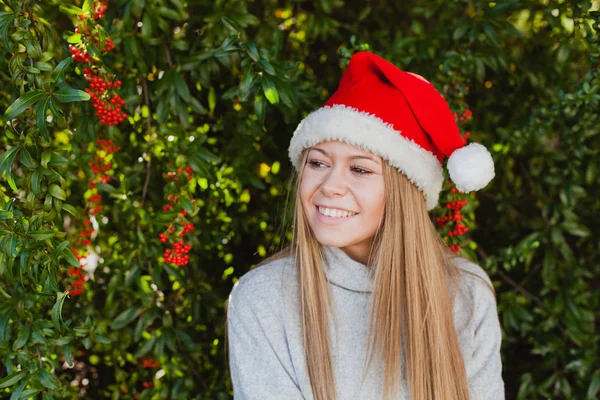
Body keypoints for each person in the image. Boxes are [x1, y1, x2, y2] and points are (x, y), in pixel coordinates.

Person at [226, 51, 504, 400]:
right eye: (317, 163)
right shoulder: (263, 299)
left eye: (359, 169)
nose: (329, 185)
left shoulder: (466, 296)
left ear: (404, 192)